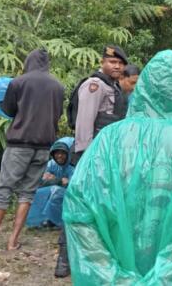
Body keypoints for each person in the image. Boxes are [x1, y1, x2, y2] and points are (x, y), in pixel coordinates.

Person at [63, 50, 172, 283]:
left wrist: (112, 277)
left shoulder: (109, 139)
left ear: (143, 88)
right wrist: (163, 279)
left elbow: (80, 210)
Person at [0, 49, 64, 253]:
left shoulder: (18, 82)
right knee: (27, 193)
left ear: (29, 62)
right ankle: (12, 241)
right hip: (44, 146)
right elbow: (58, 113)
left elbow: (9, 110)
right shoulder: (58, 86)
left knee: (4, 189)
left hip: (20, 144)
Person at [55, 45, 128, 277]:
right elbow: (84, 124)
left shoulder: (113, 87)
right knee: (79, 206)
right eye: (112, 62)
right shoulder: (94, 85)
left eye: (120, 63)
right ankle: (64, 260)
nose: (116, 66)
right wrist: (87, 157)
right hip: (91, 157)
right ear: (102, 61)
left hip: (108, 158)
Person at [25, 137, 75, 228]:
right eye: (57, 153)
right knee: (37, 191)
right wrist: (58, 181)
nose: (59, 156)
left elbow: (73, 186)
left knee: (56, 191)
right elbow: (39, 181)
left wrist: (54, 180)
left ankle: (55, 220)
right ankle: (38, 220)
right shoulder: (51, 164)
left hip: (68, 200)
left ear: (68, 154)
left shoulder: (72, 167)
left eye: (63, 153)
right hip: (54, 193)